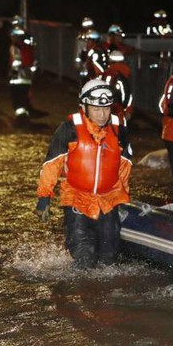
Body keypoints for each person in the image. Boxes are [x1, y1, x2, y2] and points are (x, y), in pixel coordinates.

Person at [35, 79, 133, 268]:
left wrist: (123, 197)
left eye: (106, 109)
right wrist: (44, 197)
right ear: (84, 107)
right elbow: (51, 165)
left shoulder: (119, 129)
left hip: (108, 199)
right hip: (77, 198)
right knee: (84, 257)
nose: (102, 114)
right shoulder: (69, 129)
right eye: (96, 109)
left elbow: (125, 165)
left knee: (109, 258)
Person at [8, 26, 37, 123]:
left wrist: (13, 72)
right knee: (24, 98)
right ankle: (25, 117)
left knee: (17, 98)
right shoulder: (28, 46)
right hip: (27, 78)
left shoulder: (15, 46)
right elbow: (34, 61)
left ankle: (21, 120)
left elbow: (16, 60)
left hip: (18, 77)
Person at [101, 50, 133, 121]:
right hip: (120, 110)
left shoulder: (107, 73)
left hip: (108, 107)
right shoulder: (126, 73)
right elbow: (128, 94)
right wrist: (127, 110)